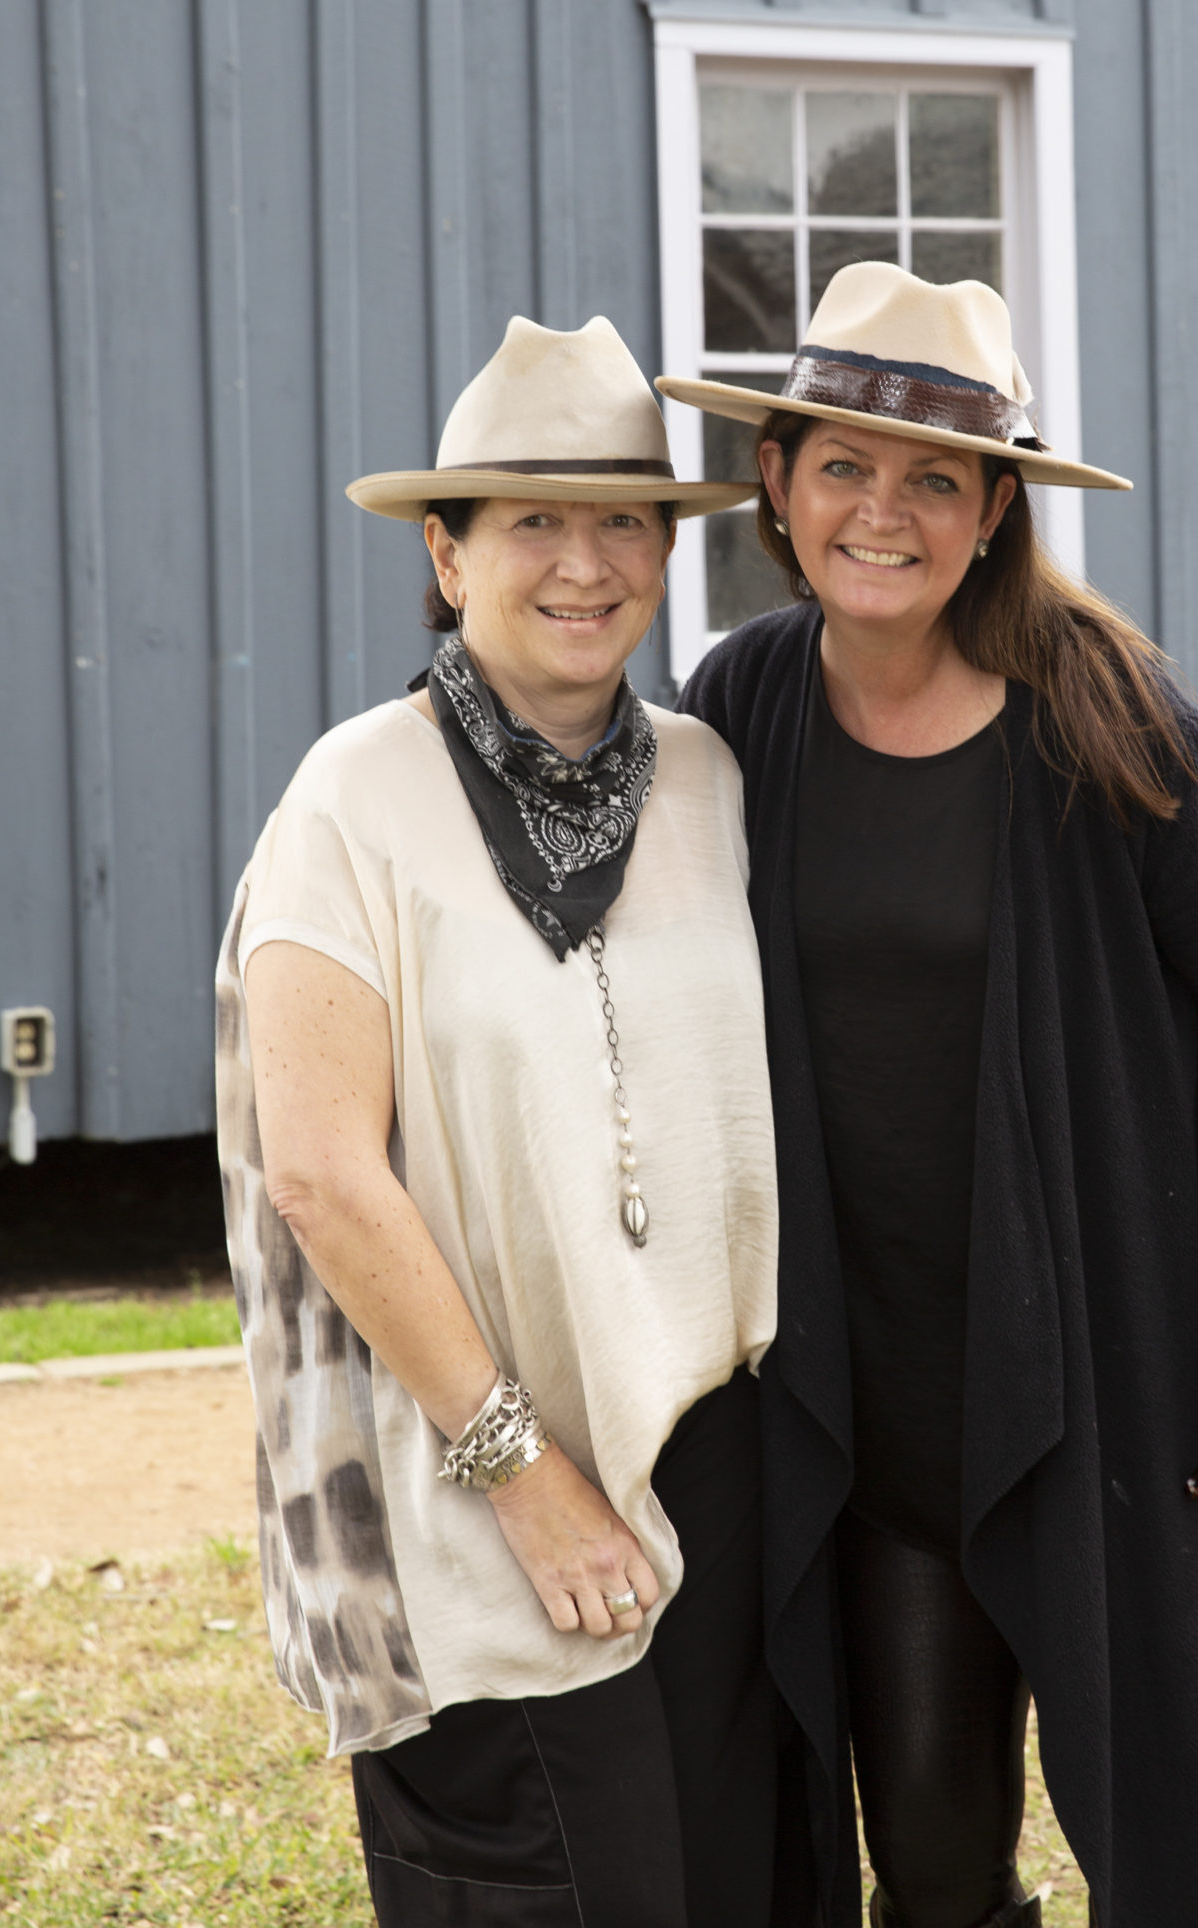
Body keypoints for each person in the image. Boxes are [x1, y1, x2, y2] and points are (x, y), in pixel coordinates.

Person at [660, 263, 1198, 1928]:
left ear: (995, 509)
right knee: (927, 1858)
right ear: (775, 482)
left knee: (1182, 1808)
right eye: (841, 465)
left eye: (935, 477)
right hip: (875, 1408)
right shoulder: (738, 709)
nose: (882, 511)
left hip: (1108, 1384)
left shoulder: (1107, 717)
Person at [214, 315, 784, 1928]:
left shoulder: (707, 783)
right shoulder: (353, 799)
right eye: (530, 519)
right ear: (445, 556)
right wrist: (527, 1480)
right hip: (483, 1484)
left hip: (719, 1465)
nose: (585, 563)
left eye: (624, 521)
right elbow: (321, 1172)